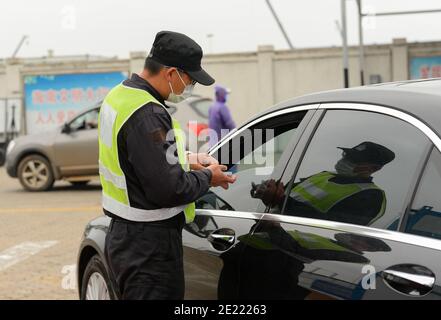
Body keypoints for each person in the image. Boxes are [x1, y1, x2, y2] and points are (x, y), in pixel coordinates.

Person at [99, 30, 236, 300]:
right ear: (171, 73)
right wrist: (209, 177)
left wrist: (190, 160)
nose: (189, 87)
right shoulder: (147, 112)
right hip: (149, 247)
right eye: (189, 79)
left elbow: (139, 157)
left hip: (126, 237)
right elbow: (169, 188)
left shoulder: (120, 96)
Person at [251, 141, 395, 226]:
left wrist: (281, 201)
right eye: (346, 156)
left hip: (303, 260)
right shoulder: (324, 175)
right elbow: (285, 195)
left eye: (353, 160)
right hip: (271, 237)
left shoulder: (371, 196)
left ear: (373, 168)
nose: (344, 161)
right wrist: (267, 190)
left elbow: (333, 226)